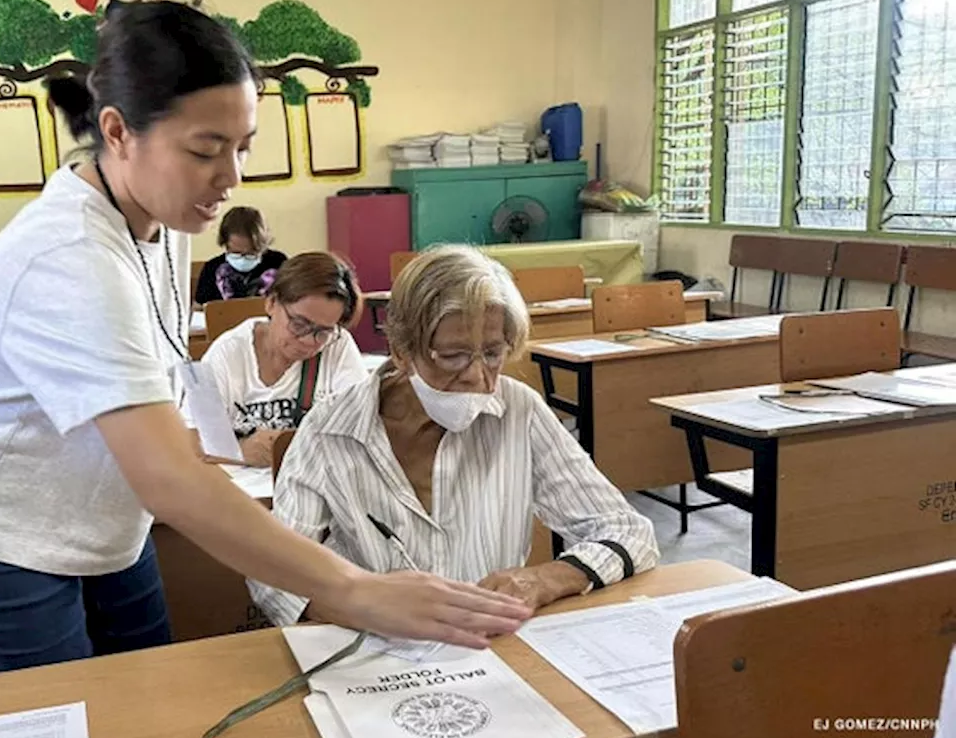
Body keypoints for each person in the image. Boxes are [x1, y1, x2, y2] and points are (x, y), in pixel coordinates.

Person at [0, 1, 531, 676]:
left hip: (109, 515)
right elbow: (171, 481)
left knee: (147, 695)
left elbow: (162, 387)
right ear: (117, 131)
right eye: (206, 150)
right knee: (64, 715)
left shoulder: (163, 218)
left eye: (242, 147)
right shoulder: (68, 257)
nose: (231, 178)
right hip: (5, 532)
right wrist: (355, 590)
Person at [250, 245, 659, 626]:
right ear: (402, 351)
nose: (478, 377)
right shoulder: (330, 430)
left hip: (492, 646)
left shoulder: (517, 411)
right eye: (453, 356)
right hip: (374, 653)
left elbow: (628, 531)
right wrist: (367, 606)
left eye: (494, 353)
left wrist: (546, 579)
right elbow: (273, 573)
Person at [202, 252, 367, 467]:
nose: (309, 341)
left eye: (323, 332)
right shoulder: (227, 353)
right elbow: (192, 443)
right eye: (299, 325)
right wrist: (241, 452)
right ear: (271, 303)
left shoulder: (338, 346)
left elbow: (360, 427)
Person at [194, 206, 287, 304]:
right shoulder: (212, 269)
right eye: (236, 253)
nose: (242, 260)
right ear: (225, 243)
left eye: (251, 254)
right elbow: (199, 307)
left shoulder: (278, 263)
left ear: (261, 246)